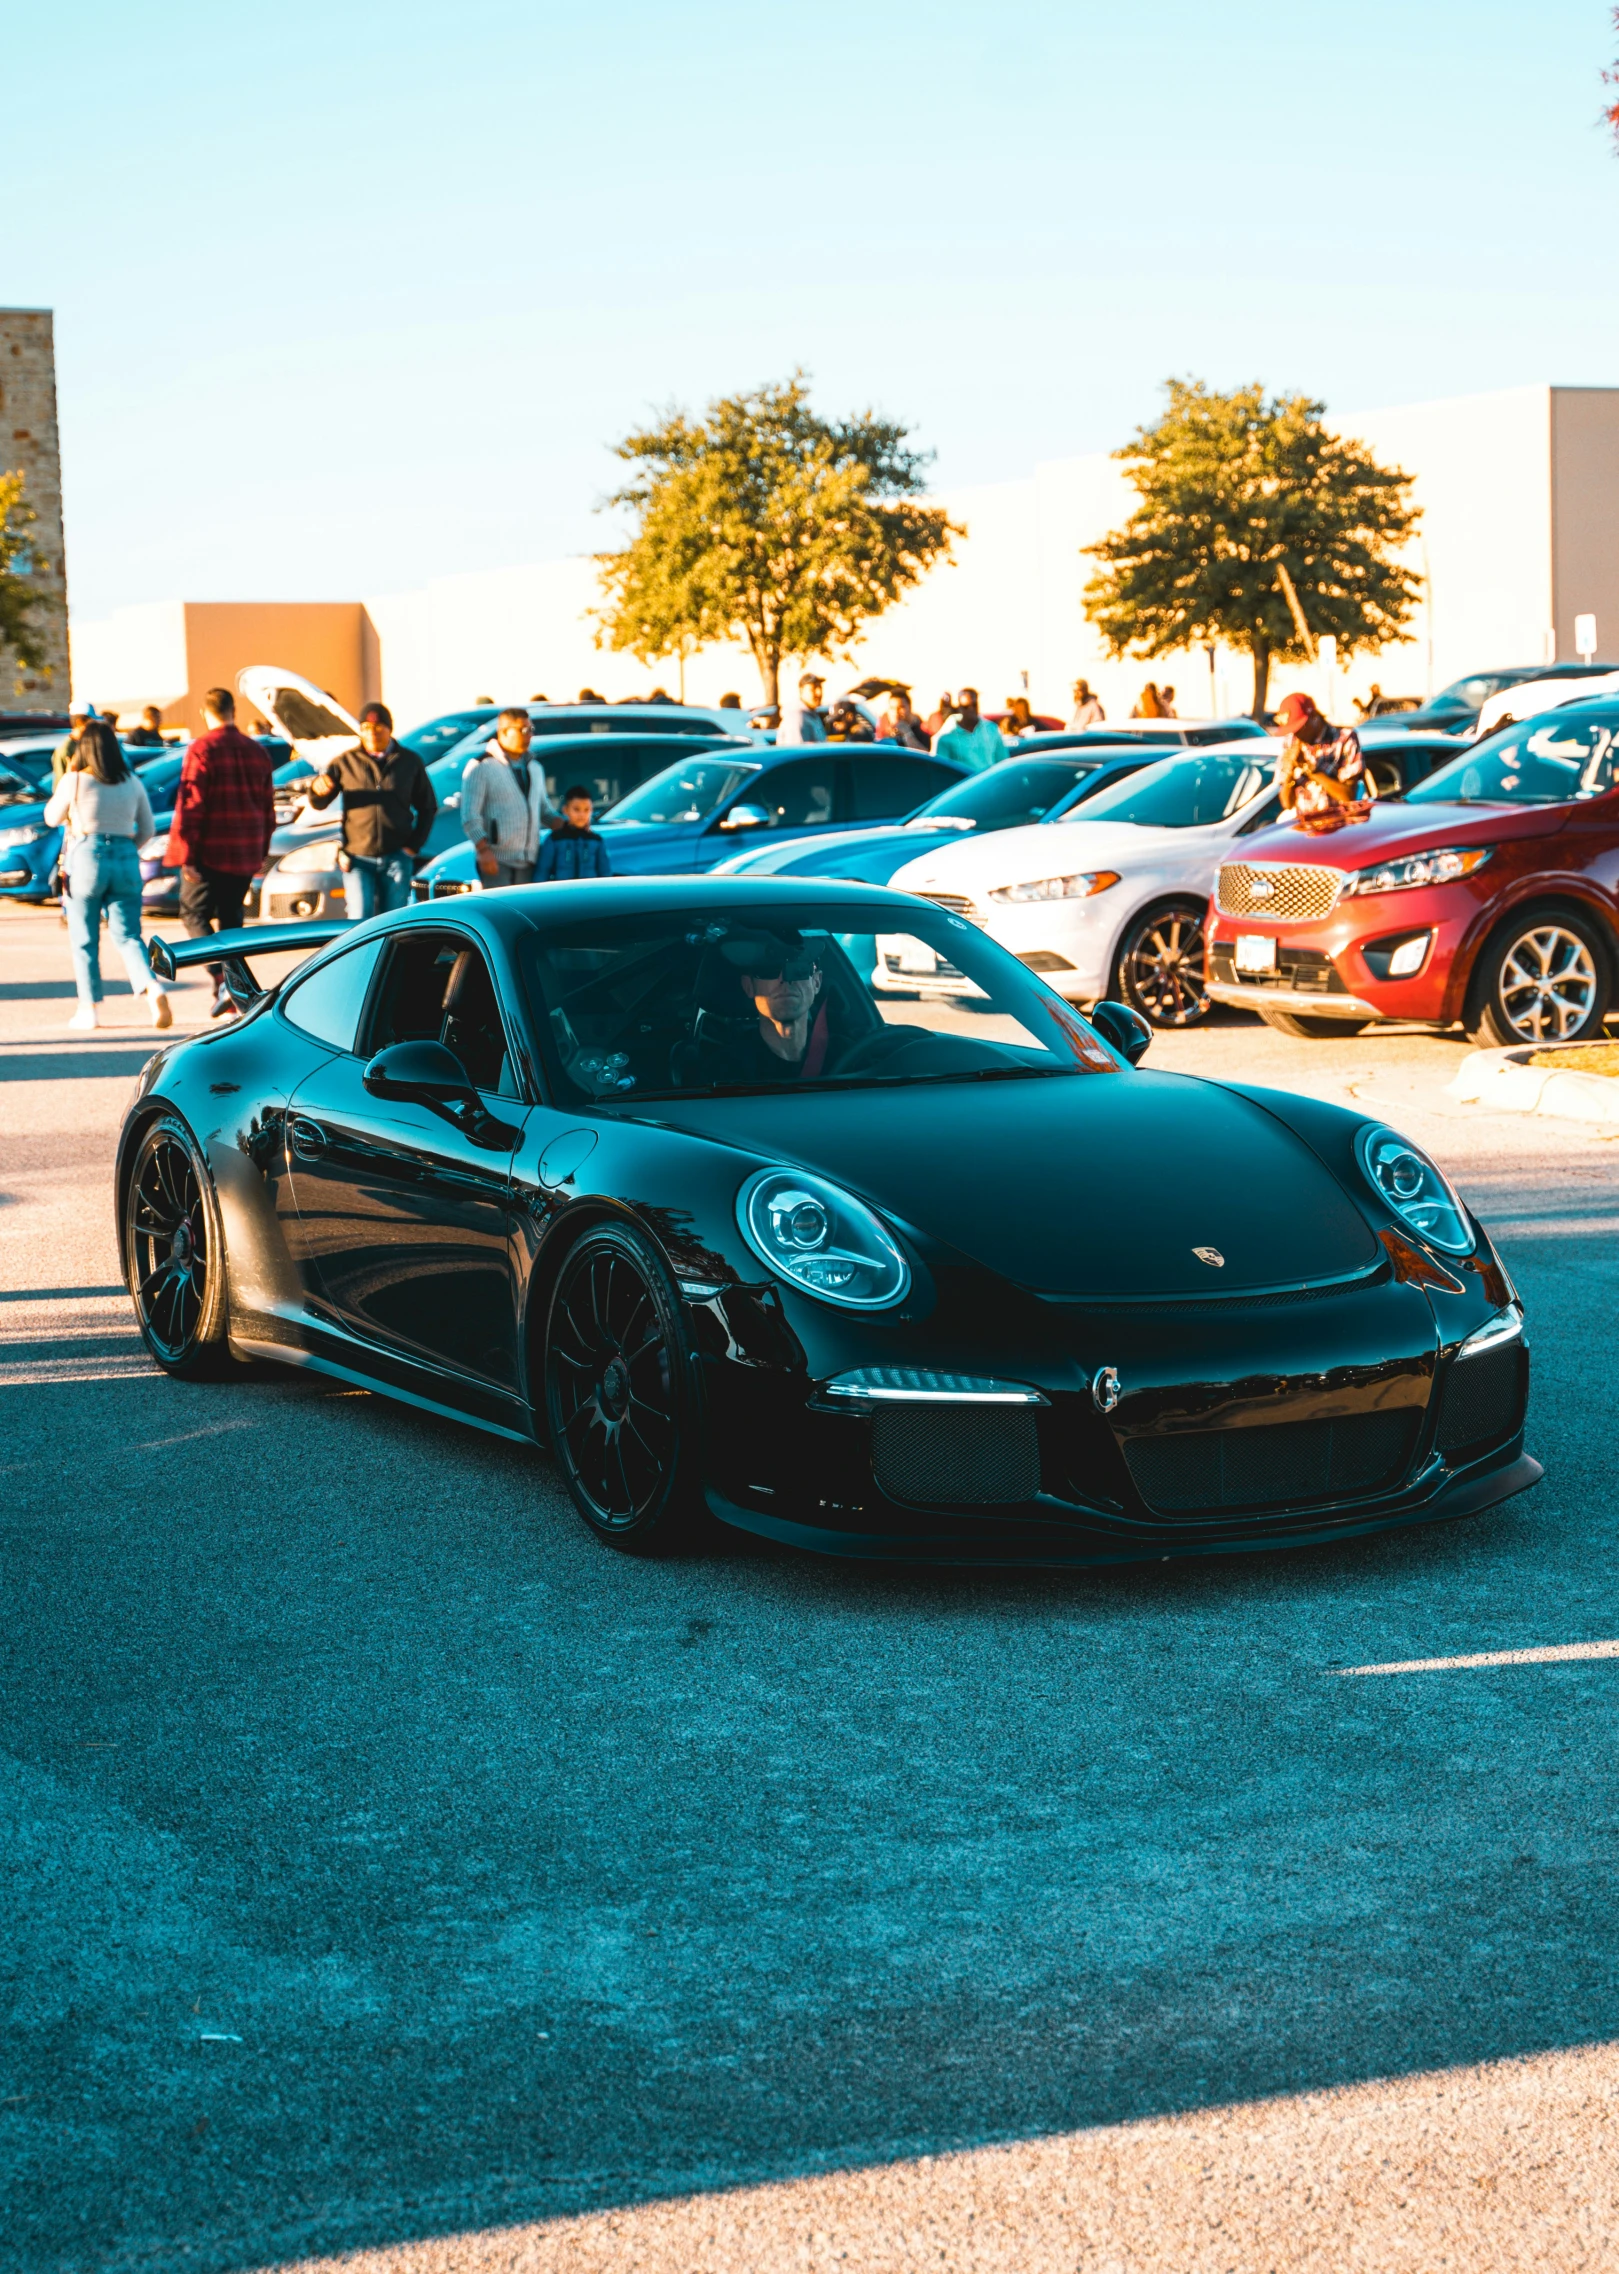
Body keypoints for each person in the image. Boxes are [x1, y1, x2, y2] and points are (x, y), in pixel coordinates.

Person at [46, 720, 171, 1032]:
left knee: (85, 940)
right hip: (126, 857)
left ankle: (89, 1010)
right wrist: (127, 849)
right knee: (128, 935)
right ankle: (151, 987)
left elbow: (51, 818)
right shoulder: (131, 782)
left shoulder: (75, 780)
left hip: (87, 856)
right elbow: (148, 829)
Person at [166, 687, 277, 1018]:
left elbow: (191, 805)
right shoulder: (257, 751)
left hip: (209, 851)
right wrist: (261, 849)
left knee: (193, 913)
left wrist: (186, 853)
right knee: (231, 921)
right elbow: (267, 808)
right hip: (244, 850)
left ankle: (221, 978)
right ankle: (235, 987)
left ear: (205, 713)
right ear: (233, 711)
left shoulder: (202, 749)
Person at [306, 699, 436, 920]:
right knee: (359, 920)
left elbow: (428, 807)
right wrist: (317, 791)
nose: (372, 733)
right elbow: (319, 802)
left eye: (378, 728)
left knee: (394, 921)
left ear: (389, 729)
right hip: (358, 857)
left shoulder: (409, 762)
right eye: (366, 728)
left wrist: (412, 847)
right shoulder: (345, 762)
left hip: (397, 856)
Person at [688, 930, 837, 1085]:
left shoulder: (846, 1054)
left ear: (817, 982)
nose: (784, 979)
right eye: (768, 970)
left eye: (797, 969)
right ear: (748, 986)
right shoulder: (722, 1072)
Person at [461, 707, 553, 887]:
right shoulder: (482, 766)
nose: (529, 736)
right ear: (503, 731)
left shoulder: (534, 768)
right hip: (497, 861)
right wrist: (483, 850)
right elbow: (470, 816)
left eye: (531, 730)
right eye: (523, 730)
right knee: (499, 912)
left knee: (523, 911)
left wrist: (568, 824)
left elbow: (544, 811)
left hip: (528, 861)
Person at [1273, 691, 1367, 817]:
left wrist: (1311, 771)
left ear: (1314, 718)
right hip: (1304, 828)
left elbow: (1348, 795)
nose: (1296, 734)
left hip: (1337, 828)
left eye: (1299, 728)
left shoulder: (1344, 739)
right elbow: (1287, 803)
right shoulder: (1291, 743)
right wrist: (1289, 772)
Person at [535, 785, 612, 880]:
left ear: (591, 811)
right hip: (561, 893)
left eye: (586, 810)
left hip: (590, 893)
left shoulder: (596, 841)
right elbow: (542, 872)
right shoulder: (555, 839)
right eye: (576, 809)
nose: (582, 814)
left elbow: (605, 874)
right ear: (566, 810)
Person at [934, 688, 1005, 774]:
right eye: (966, 707)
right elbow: (941, 772)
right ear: (959, 708)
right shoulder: (946, 737)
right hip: (965, 786)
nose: (971, 709)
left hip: (989, 785)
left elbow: (1003, 764)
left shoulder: (992, 730)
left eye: (974, 705)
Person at [776, 672, 827, 745]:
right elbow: (796, 753)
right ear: (801, 691)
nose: (819, 693)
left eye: (820, 688)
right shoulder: (797, 719)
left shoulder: (812, 715)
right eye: (813, 688)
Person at [51, 701, 91, 784]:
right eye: (90, 723)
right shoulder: (66, 749)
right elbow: (61, 783)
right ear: (79, 723)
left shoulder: (85, 743)